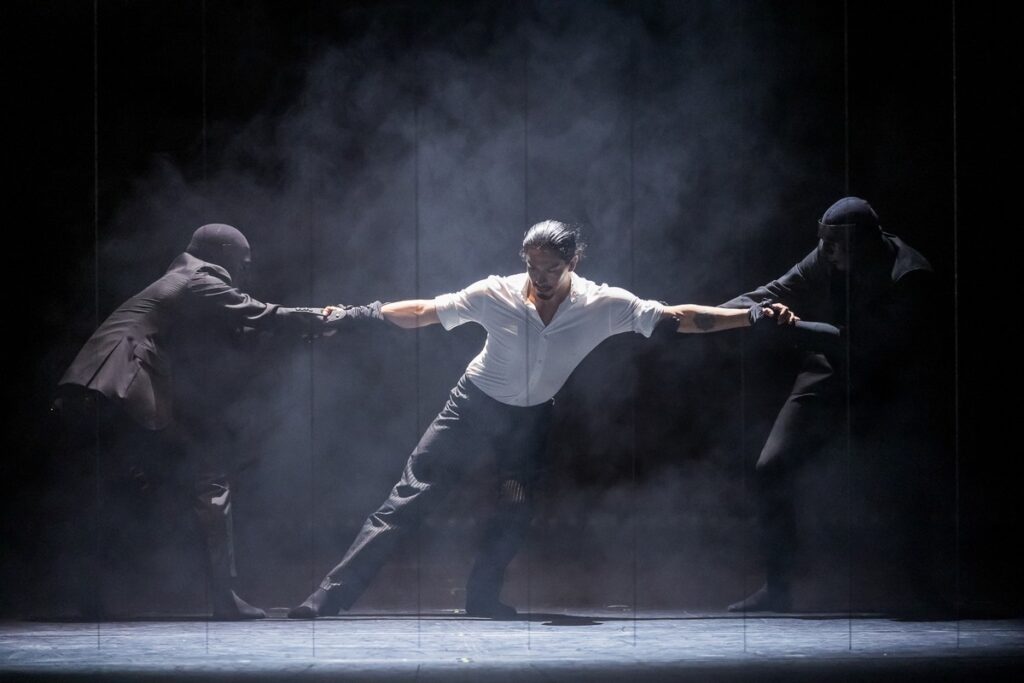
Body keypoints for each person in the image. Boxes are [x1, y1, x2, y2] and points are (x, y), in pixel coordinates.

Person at [289, 219, 785, 620]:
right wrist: (359, 313)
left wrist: (754, 315)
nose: (540, 279)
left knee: (515, 507)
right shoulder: (495, 293)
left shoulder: (603, 305)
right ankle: (328, 597)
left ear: (573, 263)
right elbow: (423, 311)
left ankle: (482, 598)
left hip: (528, 426)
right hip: (470, 409)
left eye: (551, 269)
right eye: (532, 267)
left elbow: (681, 318)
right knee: (408, 497)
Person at [54, 223, 331, 620]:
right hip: (115, 386)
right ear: (221, 253)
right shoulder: (198, 279)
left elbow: (237, 334)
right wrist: (321, 317)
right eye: (242, 261)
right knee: (210, 477)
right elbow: (258, 313)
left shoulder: (178, 283)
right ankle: (222, 598)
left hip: (98, 390)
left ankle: (89, 594)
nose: (244, 271)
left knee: (125, 490)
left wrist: (297, 333)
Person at [721, 197, 939, 613]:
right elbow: (771, 292)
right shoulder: (828, 249)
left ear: (866, 243)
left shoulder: (909, 274)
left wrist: (791, 325)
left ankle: (923, 590)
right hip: (831, 369)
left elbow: (869, 344)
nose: (830, 253)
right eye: (826, 244)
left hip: (893, 380)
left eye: (839, 246)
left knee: (910, 479)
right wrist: (707, 317)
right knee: (772, 466)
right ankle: (778, 589)